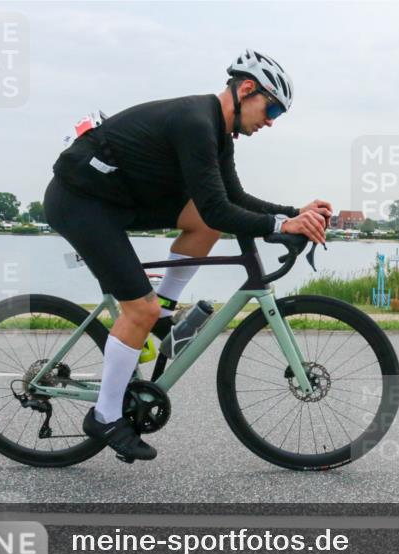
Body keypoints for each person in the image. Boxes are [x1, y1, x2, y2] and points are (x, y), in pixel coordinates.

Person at [43, 49, 331, 463]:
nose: (270, 120)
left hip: (118, 199)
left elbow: (231, 199)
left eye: (277, 115)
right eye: (271, 109)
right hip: (80, 202)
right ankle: (106, 415)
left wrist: (292, 214)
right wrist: (278, 227)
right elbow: (221, 207)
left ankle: (162, 309)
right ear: (246, 89)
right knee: (136, 311)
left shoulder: (217, 132)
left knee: (204, 221)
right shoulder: (196, 122)